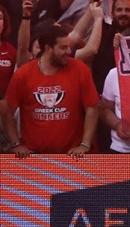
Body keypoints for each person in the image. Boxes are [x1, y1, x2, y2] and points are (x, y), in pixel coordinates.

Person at [3, 24, 100, 155]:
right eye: (63, 47)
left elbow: (92, 107)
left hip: (71, 156)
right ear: (48, 48)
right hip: (33, 156)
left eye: (69, 46)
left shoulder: (79, 69)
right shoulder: (23, 74)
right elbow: (7, 111)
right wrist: (16, 144)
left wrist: (85, 144)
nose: (69, 52)